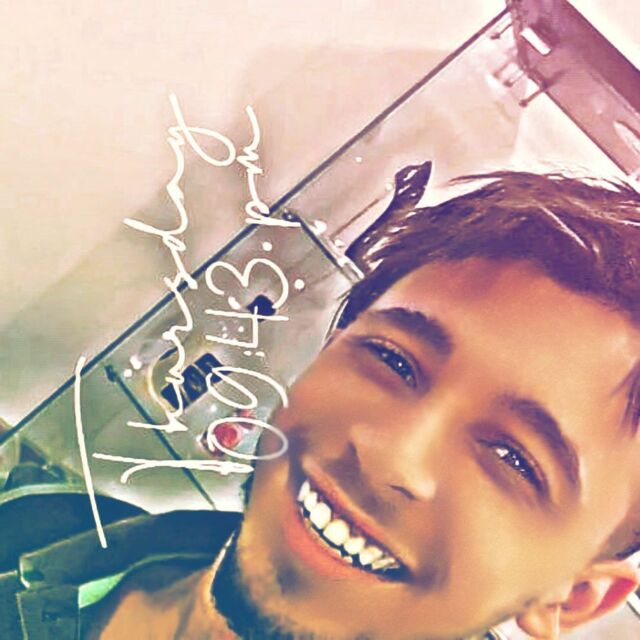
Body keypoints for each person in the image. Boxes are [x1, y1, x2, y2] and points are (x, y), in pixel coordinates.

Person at [2, 164, 640, 640]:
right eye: (393, 360)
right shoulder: (37, 525)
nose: (389, 454)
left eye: (514, 458)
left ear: (574, 596)